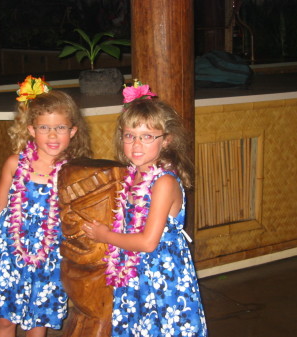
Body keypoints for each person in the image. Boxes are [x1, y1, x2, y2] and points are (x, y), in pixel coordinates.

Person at [83, 81, 208, 336]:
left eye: (147, 137)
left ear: (166, 141)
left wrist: (104, 236)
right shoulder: (130, 177)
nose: (136, 144)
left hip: (162, 276)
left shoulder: (164, 182)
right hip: (135, 273)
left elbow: (149, 242)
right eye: (130, 135)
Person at [0, 75, 92, 337]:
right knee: (5, 320)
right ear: (31, 130)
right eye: (44, 128)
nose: (52, 135)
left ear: (73, 131)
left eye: (60, 128)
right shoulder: (14, 164)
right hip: (8, 252)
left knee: (37, 321)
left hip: (49, 256)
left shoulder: (75, 171)